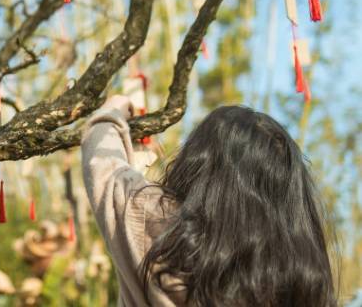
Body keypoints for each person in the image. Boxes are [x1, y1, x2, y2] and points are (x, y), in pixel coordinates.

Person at [80, 95, 336, 306]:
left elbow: (105, 169)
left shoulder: (166, 232)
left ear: (200, 163)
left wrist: (113, 109)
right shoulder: (297, 279)